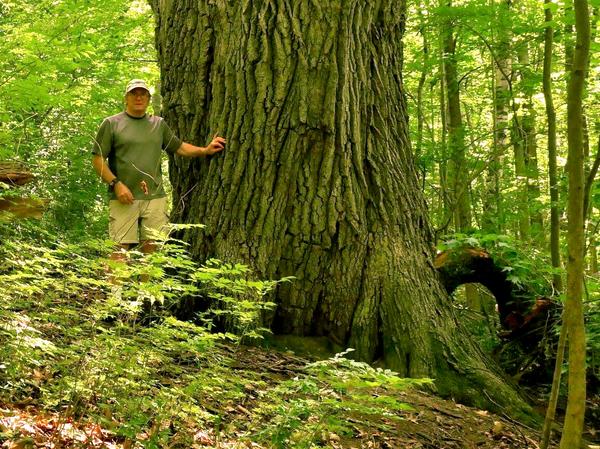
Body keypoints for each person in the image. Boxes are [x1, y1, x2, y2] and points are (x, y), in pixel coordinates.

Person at [92, 79, 225, 259]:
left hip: (155, 197)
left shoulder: (158, 124)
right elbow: (98, 160)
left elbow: (179, 147)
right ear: (126, 98)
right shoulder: (112, 123)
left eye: (143, 94)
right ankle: (117, 288)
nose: (138, 98)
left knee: (152, 248)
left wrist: (205, 150)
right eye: (134, 94)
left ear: (148, 98)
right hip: (123, 197)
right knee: (119, 249)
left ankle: (145, 288)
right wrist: (116, 184)